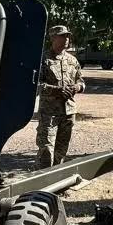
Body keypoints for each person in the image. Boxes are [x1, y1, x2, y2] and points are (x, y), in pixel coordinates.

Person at [36, 25, 85, 168]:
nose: (67, 39)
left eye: (68, 36)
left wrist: (77, 87)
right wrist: (57, 90)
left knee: (61, 152)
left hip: (68, 113)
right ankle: (41, 184)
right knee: (46, 151)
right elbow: (36, 85)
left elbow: (81, 81)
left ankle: (56, 186)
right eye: (63, 36)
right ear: (53, 38)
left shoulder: (72, 60)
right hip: (49, 114)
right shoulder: (43, 59)